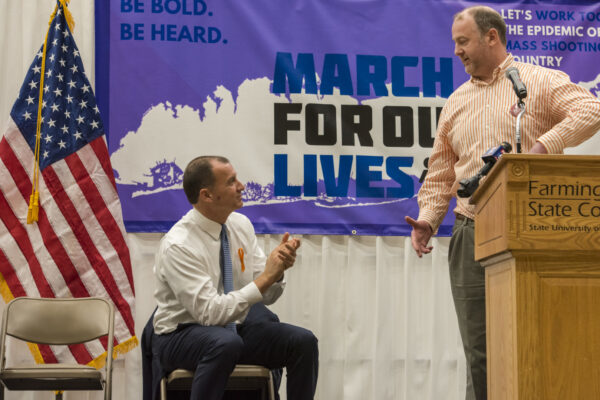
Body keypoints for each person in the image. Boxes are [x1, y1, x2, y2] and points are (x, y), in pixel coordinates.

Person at [405, 5, 600, 400]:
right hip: (471, 230)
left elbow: (591, 109)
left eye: (463, 42)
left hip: (535, 230)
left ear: (491, 37)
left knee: (538, 339)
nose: (457, 51)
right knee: (480, 350)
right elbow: (442, 170)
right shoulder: (456, 101)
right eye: (454, 44)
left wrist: (544, 147)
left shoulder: (535, 81)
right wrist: (428, 219)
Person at [147, 155, 319, 400]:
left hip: (232, 331)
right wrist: (264, 279)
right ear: (207, 195)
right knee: (225, 343)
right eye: (231, 181)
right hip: (180, 334)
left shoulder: (240, 225)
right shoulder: (179, 245)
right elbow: (210, 313)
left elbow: (266, 296)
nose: (242, 186)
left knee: (302, 341)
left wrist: (277, 271)